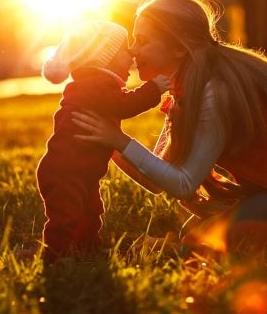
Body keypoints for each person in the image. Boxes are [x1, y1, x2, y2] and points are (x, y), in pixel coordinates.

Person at [71, 0, 267, 254]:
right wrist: (108, 141)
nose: (132, 51)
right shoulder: (185, 87)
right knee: (194, 235)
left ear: (178, 49)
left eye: (143, 41)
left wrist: (118, 141)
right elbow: (156, 180)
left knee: (208, 244)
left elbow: (184, 184)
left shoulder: (215, 92)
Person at [36, 21, 170, 263]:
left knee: (90, 211)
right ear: (103, 58)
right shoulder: (94, 86)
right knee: (65, 216)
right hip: (66, 171)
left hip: (80, 170)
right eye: (123, 49)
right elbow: (124, 105)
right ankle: (54, 256)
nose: (130, 53)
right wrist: (153, 89)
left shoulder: (95, 85)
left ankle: (87, 248)